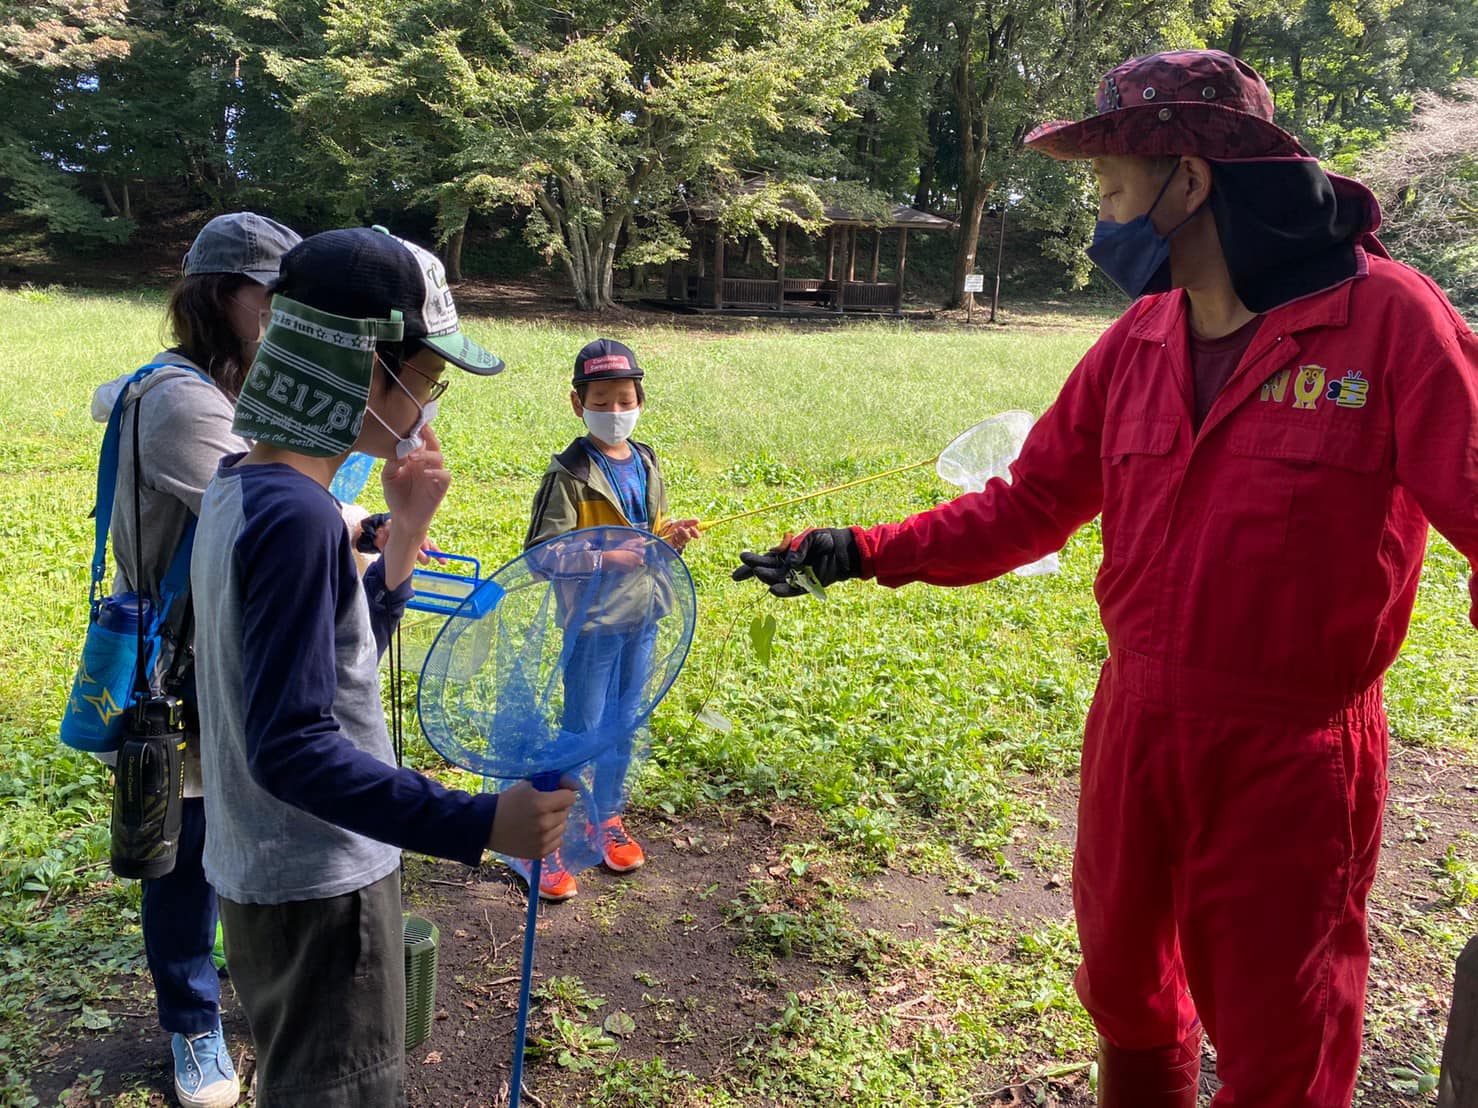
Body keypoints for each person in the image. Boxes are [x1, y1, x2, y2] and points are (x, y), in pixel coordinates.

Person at [733, 49, 1478, 1108]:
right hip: (1134, 724)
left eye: (1112, 179)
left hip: (1290, 757)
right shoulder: (1137, 339)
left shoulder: (1388, 323)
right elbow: (1028, 503)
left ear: (1189, 176)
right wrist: (860, 549)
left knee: (1284, 1037)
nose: (1099, 208)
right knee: (1125, 990)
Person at [189, 226, 577, 1106]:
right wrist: (481, 824)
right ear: (360, 366)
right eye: (428, 380)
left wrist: (400, 541)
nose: (428, 405)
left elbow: (329, 663)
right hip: (319, 886)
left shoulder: (245, 485)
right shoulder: (297, 517)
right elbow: (291, 747)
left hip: (270, 873)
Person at [89, 211, 300, 1108]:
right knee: (183, 853)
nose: (290, 318)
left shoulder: (234, 386)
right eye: (276, 298)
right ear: (223, 297)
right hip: (177, 672)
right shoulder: (180, 402)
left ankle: (249, 983)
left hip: (237, 653)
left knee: (251, 828)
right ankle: (192, 1024)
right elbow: (274, 511)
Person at [520, 338, 699, 901]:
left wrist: (670, 541)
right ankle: (541, 842)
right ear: (578, 403)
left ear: (640, 400)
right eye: (603, 399)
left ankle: (608, 817)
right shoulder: (569, 474)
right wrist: (607, 558)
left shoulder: (645, 459)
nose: (616, 411)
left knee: (625, 723)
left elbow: (651, 531)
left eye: (625, 399)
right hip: (592, 624)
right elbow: (540, 556)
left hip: (643, 616)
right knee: (581, 729)